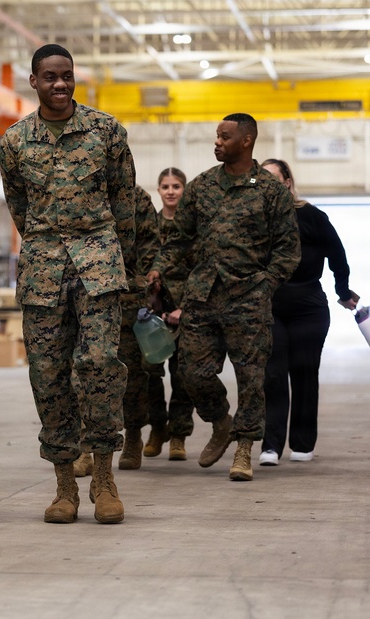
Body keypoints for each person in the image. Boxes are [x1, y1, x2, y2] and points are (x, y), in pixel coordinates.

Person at [0, 44, 133, 524]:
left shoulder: (105, 131)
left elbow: (124, 203)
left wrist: (122, 269)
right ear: (33, 81)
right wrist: (45, 241)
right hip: (42, 270)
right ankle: (63, 487)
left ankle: (103, 477)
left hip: (98, 263)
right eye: (50, 77)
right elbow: (18, 204)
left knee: (99, 364)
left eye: (67, 76)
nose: (60, 84)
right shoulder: (14, 141)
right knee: (48, 376)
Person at [147, 113, 300, 482]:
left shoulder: (269, 191)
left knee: (251, 378)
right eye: (216, 136)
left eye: (224, 136)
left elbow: (288, 249)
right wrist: (158, 269)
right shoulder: (200, 187)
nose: (217, 142)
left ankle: (244, 449)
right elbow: (180, 239)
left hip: (248, 299)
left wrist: (264, 285)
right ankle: (220, 421)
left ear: (246, 141)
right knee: (191, 373)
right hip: (202, 296)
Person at [258, 158, 358, 466]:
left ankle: (302, 443)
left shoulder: (312, 216)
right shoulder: (254, 220)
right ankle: (271, 446)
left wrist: (343, 292)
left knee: (303, 371)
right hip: (269, 308)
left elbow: (338, 257)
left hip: (308, 308)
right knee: (273, 376)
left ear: (287, 182)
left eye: (273, 179)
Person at [144, 167, 196, 461]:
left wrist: (185, 308)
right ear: (159, 190)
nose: (171, 191)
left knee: (182, 374)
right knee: (150, 372)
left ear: (184, 189)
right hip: (154, 311)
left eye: (177, 186)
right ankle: (157, 428)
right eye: (166, 186)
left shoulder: (191, 226)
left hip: (185, 308)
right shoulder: (150, 225)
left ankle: (178, 435)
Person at [114, 184, 161, 471]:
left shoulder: (136, 197)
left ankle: (133, 436)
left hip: (127, 294)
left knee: (131, 373)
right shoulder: (78, 187)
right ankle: (85, 444)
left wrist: (148, 276)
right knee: (80, 372)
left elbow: (150, 244)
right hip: (85, 293)